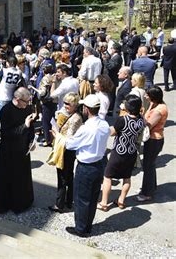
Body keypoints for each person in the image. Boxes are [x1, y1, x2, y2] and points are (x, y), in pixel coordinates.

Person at [65, 94, 110, 237]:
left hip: (86, 166)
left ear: (86, 109)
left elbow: (70, 144)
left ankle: (80, 228)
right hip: (99, 164)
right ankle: (87, 225)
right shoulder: (104, 124)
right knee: (92, 197)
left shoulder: (86, 128)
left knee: (81, 198)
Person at [0, 88, 38, 214]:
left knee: (22, 177)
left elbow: (31, 127)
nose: (27, 105)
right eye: (25, 102)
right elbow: (7, 133)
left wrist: (31, 140)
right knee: (8, 177)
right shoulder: (6, 111)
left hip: (23, 149)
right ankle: (6, 204)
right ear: (17, 99)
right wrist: (24, 126)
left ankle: (22, 203)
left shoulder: (27, 108)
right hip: (9, 151)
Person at [98, 95, 144, 211]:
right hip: (132, 152)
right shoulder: (141, 120)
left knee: (107, 176)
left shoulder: (122, 120)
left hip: (119, 151)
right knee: (126, 178)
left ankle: (104, 203)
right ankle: (121, 201)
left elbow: (112, 133)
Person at [48, 92, 83, 213]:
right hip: (68, 150)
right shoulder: (74, 115)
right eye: (64, 102)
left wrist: (56, 134)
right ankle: (68, 201)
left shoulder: (75, 118)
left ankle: (59, 204)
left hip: (66, 150)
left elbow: (69, 139)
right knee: (68, 176)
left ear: (74, 105)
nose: (65, 105)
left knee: (62, 177)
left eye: (68, 103)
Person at [136, 86, 168, 202]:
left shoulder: (159, 110)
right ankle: (151, 187)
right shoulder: (154, 104)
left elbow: (148, 125)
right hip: (152, 139)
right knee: (150, 165)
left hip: (155, 140)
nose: (145, 96)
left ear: (153, 97)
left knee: (148, 166)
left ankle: (147, 193)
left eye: (147, 95)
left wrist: (138, 116)